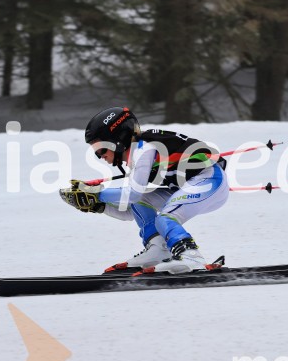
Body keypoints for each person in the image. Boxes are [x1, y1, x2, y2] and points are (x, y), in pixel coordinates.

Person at [59, 106, 229, 274]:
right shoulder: (137, 153)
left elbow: (132, 194)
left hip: (209, 180)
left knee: (165, 218)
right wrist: (98, 205)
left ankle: (191, 256)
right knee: (142, 201)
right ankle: (158, 249)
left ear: (118, 139)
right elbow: (130, 210)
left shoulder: (143, 149)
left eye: (101, 149)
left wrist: (97, 194)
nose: (100, 156)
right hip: (192, 184)